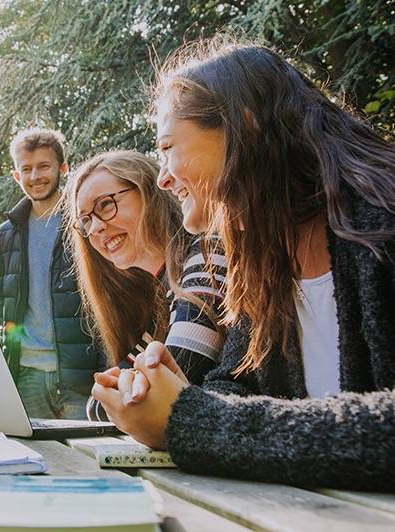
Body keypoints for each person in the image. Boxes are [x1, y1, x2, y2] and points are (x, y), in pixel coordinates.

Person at [92, 40, 395, 490]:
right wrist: (176, 395)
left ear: (243, 128)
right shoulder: (263, 264)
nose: (163, 177)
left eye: (168, 147)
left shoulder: (380, 223)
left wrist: (192, 419)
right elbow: (238, 390)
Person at [65, 150, 225, 395]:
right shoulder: (163, 299)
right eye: (86, 220)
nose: (95, 227)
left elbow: (162, 389)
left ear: (151, 192)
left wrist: (121, 392)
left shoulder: (209, 252)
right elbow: (101, 398)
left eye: (105, 204)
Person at [0, 127, 104, 420]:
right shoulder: (6, 235)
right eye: (26, 169)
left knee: (88, 463)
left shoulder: (86, 223)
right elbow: (5, 312)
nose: (35, 176)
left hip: (83, 376)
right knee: (40, 463)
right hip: (27, 376)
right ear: (17, 176)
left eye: (44, 166)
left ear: (63, 168)